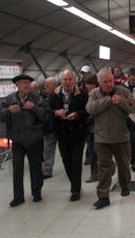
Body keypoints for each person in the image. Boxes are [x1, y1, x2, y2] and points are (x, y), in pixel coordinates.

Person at [86, 69, 135, 209]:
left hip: (121, 137)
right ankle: (103, 196)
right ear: (99, 83)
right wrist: (108, 100)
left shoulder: (123, 91)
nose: (109, 84)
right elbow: (90, 109)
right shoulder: (94, 94)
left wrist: (121, 101)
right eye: (105, 82)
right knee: (104, 167)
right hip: (102, 138)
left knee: (123, 164)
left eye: (111, 81)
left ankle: (125, 185)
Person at [0, 74, 50, 207]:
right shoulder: (9, 99)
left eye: (28, 83)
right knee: (17, 169)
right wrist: (9, 111)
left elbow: (45, 116)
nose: (26, 85)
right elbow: (0, 116)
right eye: (23, 83)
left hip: (34, 139)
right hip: (17, 140)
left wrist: (33, 108)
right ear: (17, 85)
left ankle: (36, 193)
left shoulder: (37, 99)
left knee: (36, 168)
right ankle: (18, 197)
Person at [51, 69, 88, 201]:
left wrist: (77, 114)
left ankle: (75, 189)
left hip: (78, 132)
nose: (67, 82)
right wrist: (56, 113)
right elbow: (49, 111)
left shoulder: (82, 94)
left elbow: (87, 111)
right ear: (61, 81)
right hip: (62, 133)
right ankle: (74, 183)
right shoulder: (54, 94)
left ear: (75, 80)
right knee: (66, 160)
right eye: (65, 80)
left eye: (70, 79)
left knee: (76, 160)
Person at [83, 73, 100, 183]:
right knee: (91, 151)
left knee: (99, 151)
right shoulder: (85, 95)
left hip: (100, 127)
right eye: (86, 84)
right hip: (89, 127)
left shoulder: (100, 94)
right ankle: (94, 173)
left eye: (89, 84)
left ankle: (103, 173)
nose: (87, 86)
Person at [42, 77, 57, 179]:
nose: (46, 87)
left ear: (54, 85)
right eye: (45, 85)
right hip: (48, 128)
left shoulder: (58, 96)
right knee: (48, 149)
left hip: (59, 126)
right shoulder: (41, 97)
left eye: (48, 85)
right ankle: (47, 171)